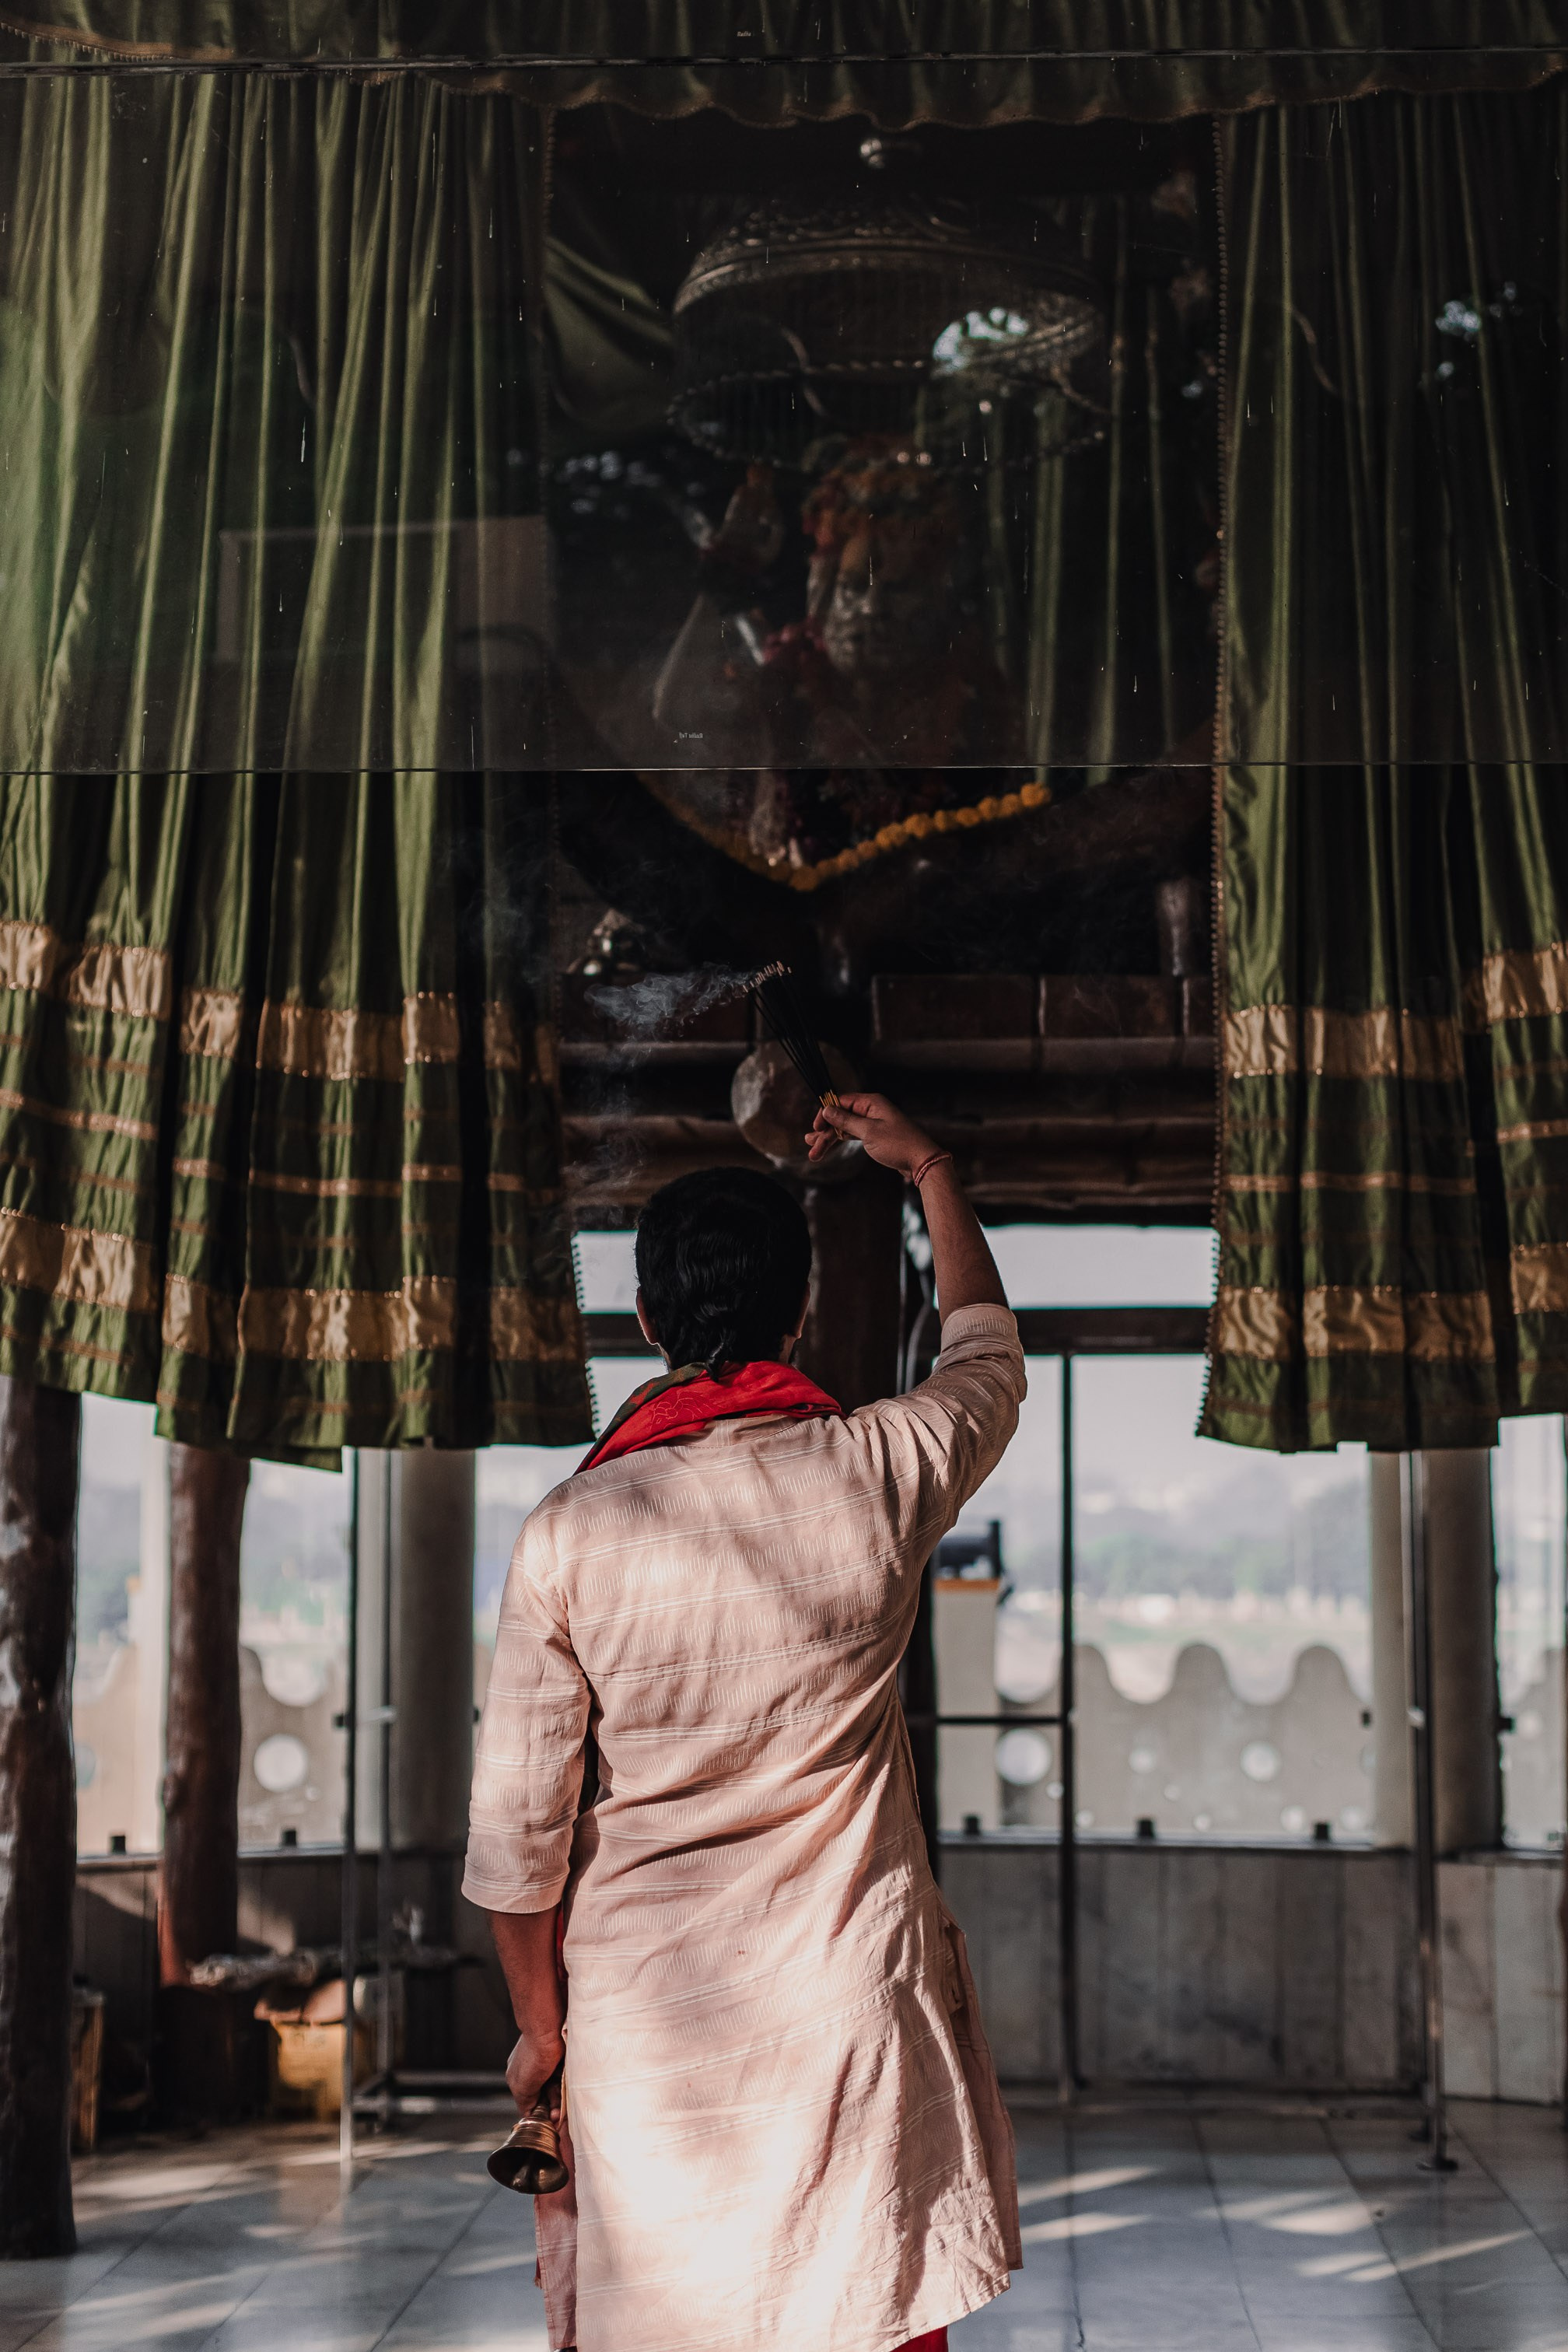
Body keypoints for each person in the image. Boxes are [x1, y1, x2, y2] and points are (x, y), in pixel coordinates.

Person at [464, 1092, 1027, 2352]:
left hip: (645, 2031)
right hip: (847, 2019)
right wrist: (930, 1164)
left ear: (650, 1321)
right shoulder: (878, 1472)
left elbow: (518, 1835)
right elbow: (987, 1357)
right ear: (799, 1316)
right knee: (856, 2302)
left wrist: (543, 2032)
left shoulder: (571, 1529)